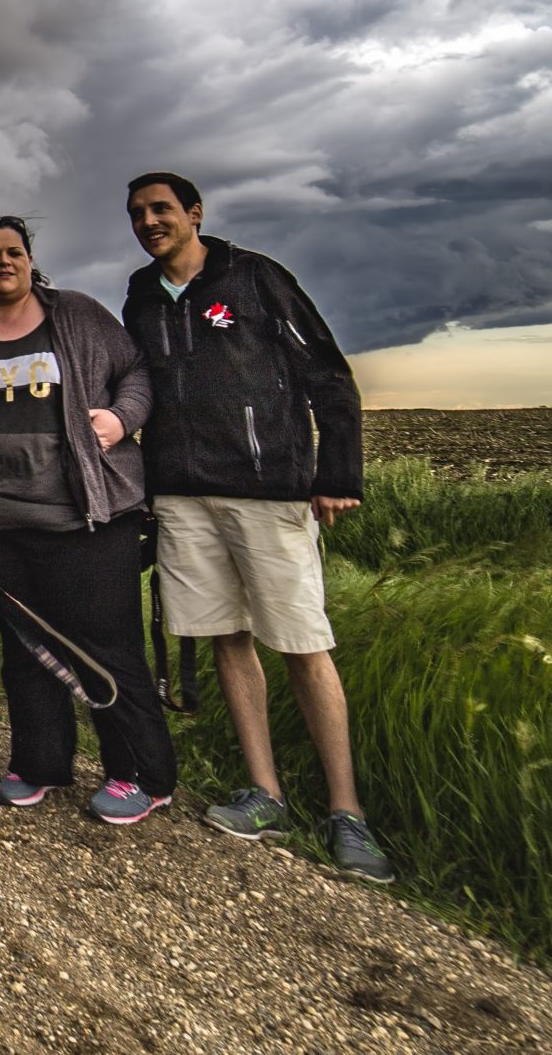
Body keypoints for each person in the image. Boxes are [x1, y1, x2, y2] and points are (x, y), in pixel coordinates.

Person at [122, 172, 396, 882]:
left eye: (161, 209)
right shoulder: (142, 294)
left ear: (194, 213)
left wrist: (338, 473)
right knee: (227, 638)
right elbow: (138, 388)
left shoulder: (255, 278)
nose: (149, 221)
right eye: (137, 213)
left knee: (303, 642)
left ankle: (347, 812)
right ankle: (265, 793)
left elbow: (327, 374)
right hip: (181, 494)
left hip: (268, 488)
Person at [0, 218, 178, 822]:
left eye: (14, 251)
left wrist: (122, 418)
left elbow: (136, 371)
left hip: (88, 520)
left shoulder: (77, 314)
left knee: (106, 645)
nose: (4, 261)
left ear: (30, 259)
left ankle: (142, 774)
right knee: (26, 649)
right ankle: (40, 763)